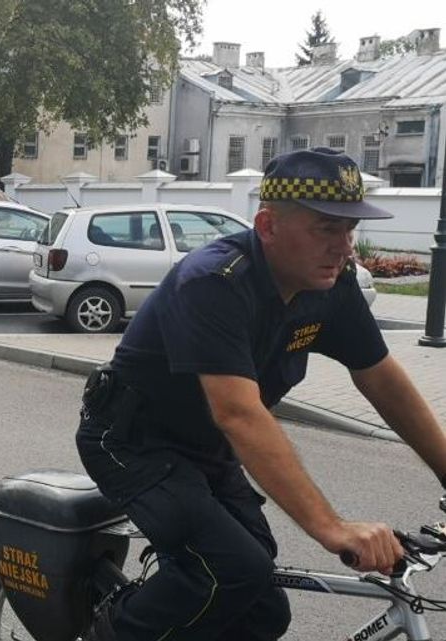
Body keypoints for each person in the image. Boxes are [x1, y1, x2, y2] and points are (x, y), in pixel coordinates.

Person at [77, 147, 446, 641]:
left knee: (262, 610)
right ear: (268, 227)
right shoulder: (214, 282)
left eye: (349, 230)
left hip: (206, 450)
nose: (344, 246)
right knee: (230, 572)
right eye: (326, 229)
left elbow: (380, 379)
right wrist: (332, 528)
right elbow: (239, 414)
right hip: (131, 442)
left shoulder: (331, 286)